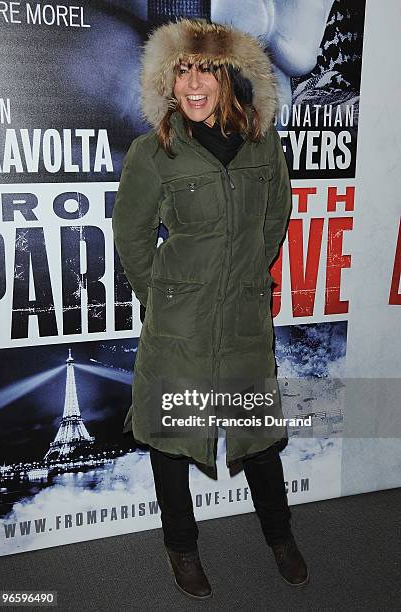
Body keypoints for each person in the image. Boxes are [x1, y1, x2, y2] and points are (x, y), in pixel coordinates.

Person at [112, 18, 308, 599]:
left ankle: (281, 537)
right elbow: (133, 235)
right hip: (181, 323)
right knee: (172, 439)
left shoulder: (262, 144)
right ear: (166, 83)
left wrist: (248, 274)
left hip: (245, 316)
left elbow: (275, 217)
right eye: (181, 72)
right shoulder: (153, 152)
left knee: (258, 435)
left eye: (205, 70)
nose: (192, 85)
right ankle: (182, 548)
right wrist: (162, 297)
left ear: (230, 78)